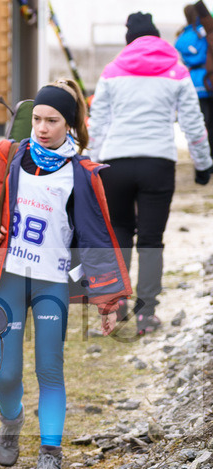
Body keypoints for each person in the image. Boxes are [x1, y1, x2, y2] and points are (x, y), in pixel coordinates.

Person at [0, 80, 131, 469]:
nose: (41, 127)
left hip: (52, 282)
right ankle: (12, 419)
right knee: (6, 373)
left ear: (69, 125)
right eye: (36, 118)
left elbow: (98, 238)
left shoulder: (84, 174)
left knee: (50, 370)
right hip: (8, 280)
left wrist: (109, 302)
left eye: (51, 120)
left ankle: (50, 456)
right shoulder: (6, 157)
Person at [89, 11, 212, 335]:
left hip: (115, 163)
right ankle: (147, 315)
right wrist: (203, 164)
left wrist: (90, 164)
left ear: (129, 40)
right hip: (158, 163)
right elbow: (193, 123)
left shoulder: (112, 71)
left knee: (118, 235)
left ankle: (117, 307)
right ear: (157, 37)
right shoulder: (177, 70)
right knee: (151, 240)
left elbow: (97, 124)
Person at [175, 4, 213, 144]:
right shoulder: (206, 33)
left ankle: (201, 156)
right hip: (209, 80)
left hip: (192, 83)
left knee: (199, 124)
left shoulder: (181, 36)